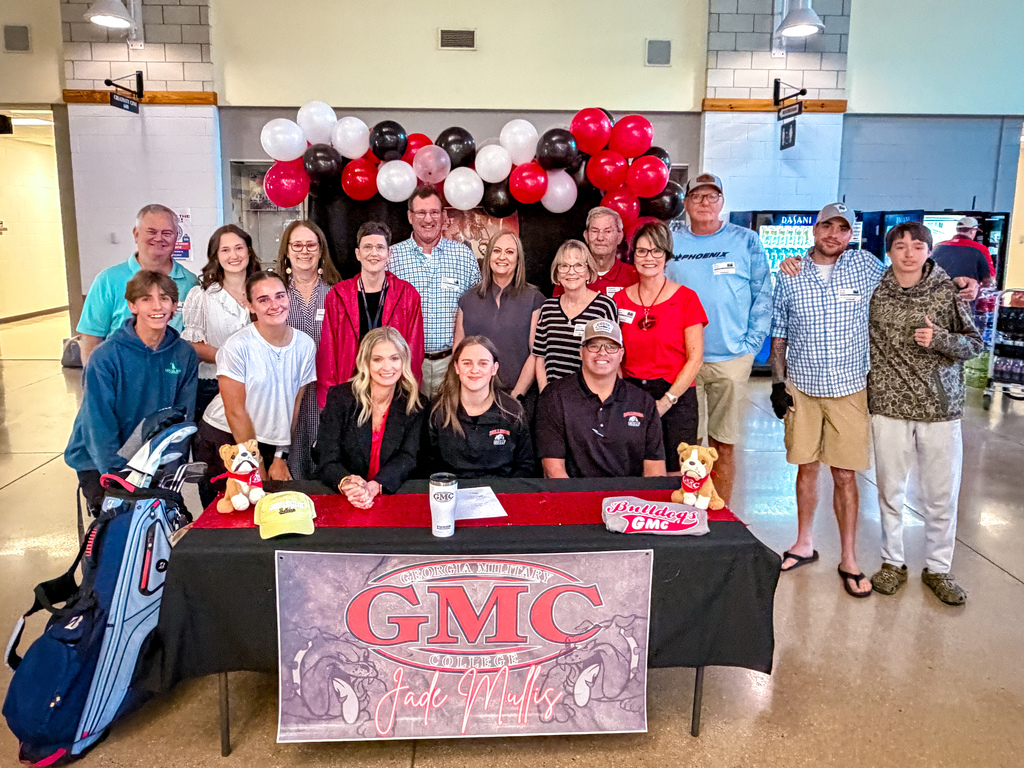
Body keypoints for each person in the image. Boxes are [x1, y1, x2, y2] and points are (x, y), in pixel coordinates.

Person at [768, 203, 884, 598]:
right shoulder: (790, 274)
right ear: (814, 230)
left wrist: (960, 284)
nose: (833, 235)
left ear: (851, 235)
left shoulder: (866, 268)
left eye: (842, 229)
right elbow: (779, 332)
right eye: (827, 226)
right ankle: (804, 543)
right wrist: (777, 383)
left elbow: (907, 283)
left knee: (845, 474)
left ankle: (849, 557)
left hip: (849, 387)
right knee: (805, 467)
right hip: (802, 384)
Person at [867, 222, 983, 606]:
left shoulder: (950, 291)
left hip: (939, 408)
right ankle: (892, 562)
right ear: (890, 252)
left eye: (918, 246)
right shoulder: (875, 287)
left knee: (940, 494)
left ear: (929, 251)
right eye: (900, 246)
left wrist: (940, 340)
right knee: (889, 491)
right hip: (889, 406)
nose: (909, 253)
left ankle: (938, 568)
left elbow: (974, 344)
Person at [665, 172, 772, 503]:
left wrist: (751, 347)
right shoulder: (671, 239)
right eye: (697, 197)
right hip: (683, 362)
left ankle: (721, 512)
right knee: (688, 447)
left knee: (723, 443)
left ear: (722, 202)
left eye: (712, 197)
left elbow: (763, 294)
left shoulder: (746, 241)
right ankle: (690, 509)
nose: (705, 203)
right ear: (686, 204)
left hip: (730, 359)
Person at [64, 270, 198, 514]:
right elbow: (98, 422)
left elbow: (183, 417)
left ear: (175, 306)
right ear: (132, 305)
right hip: (100, 458)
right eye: (147, 299)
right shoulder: (106, 356)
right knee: (115, 530)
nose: (157, 306)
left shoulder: (184, 354)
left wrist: (171, 470)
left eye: (165, 298)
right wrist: (117, 476)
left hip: (149, 456)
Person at [195, 271, 316, 508]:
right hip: (226, 436)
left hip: (269, 440)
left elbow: (293, 405)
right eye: (263, 300)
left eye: (280, 296)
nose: (274, 305)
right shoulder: (237, 347)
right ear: (250, 306)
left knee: (267, 509)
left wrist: (281, 456)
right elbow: (235, 412)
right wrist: (255, 465)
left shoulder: (305, 345)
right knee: (232, 510)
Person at [614, 220, 706, 472]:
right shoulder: (620, 300)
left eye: (657, 251)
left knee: (678, 472)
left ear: (667, 255)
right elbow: (614, 352)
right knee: (636, 467)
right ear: (633, 256)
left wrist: (667, 401)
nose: (649, 258)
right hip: (632, 393)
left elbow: (695, 358)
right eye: (642, 251)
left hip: (677, 395)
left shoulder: (686, 298)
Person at [537, 318, 666, 478]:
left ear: (621, 354)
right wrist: (577, 503)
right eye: (594, 346)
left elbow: (655, 471)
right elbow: (554, 470)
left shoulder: (643, 402)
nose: (602, 352)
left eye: (611, 347)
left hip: (628, 500)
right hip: (575, 497)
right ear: (581, 352)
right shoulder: (554, 396)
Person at [317, 221, 424, 409]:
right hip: (349, 385)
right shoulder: (338, 295)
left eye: (380, 247)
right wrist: (329, 401)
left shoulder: (407, 295)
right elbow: (328, 352)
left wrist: (407, 393)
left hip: (392, 386)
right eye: (367, 247)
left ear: (389, 255)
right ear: (358, 254)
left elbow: (413, 351)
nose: (374, 253)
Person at [76, 204, 198, 365]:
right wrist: (95, 382)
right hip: (120, 380)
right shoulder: (107, 281)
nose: (159, 238)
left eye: (167, 233)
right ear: (136, 234)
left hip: (172, 379)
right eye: (152, 232)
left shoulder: (191, 283)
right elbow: (91, 338)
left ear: (176, 237)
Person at [389, 186, 481, 398]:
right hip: (405, 363)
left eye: (434, 212)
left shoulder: (463, 257)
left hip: (451, 363)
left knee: (448, 426)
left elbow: (477, 311)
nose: (428, 219)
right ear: (410, 217)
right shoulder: (391, 257)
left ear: (443, 216)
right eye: (421, 212)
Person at [317, 327, 426, 507]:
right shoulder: (340, 398)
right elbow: (326, 454)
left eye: (394, 358)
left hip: (392, 494)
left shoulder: (416, 404)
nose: (387, 367)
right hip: (344, 498)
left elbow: (408, 457)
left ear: (404, 361)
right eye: (377, 359)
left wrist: (375, 486)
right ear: (365, 363)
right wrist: (346, 483)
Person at [276, 220, 342, 480]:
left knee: (325, 454)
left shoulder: (337, 293)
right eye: (297, 245)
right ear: (287, 251)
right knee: (289, 458)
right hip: (286, 392)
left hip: (326, 390)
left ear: (321, 249)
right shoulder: (275, 293)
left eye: (311, 245)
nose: (304, 251)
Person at [181, 224, 261, 421]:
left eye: (239, 248)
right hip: (213, 387)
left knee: (253, 448)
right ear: (216, 256)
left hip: (258, 386)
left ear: (249, 252)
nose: (233, 255)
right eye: (225, 250)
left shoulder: (263, 292)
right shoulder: (201, 296)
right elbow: (193, 345)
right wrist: (231, 360)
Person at [454, 230, 545, 399]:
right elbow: (458, 350)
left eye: (509, 252)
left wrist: (517, 395)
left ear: (518, 260)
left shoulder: (534, 299)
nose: (502, 257)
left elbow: (536, 353)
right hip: (475, 396)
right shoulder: (468, 299)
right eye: (496, 251)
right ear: (488, 256)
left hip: (519, 397)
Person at [428, 336, 534, 478]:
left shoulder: (512, 411)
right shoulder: (438, 410)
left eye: (483, 363)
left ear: (494, 368)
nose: (475, 370)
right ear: (456, 367)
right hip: (452, 492)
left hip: (501, 493)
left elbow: (525, 466)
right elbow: (427, 465)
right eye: (467, 363)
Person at [532, 240, 618, 390]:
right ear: (557, 274)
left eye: (578, 265)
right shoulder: (548, 308)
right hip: (553, 397)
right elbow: (540, 357)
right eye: (564, 266)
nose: (571, 271)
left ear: (589, 271)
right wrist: (545, 392)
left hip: (591, 398)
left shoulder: (604, 307)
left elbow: (612, 357)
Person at [553, 207, 638, 299]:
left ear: (619, 237)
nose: (600, 238)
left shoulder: (635, 276)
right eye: (595, 231)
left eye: (608, 231)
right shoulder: (570, 276)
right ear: (586, 236)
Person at [931, 216, 996, 288]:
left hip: (939, 293)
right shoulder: (981, 249)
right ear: (972, 230)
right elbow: (989, 279)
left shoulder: (938, 246)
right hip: (966, 295)